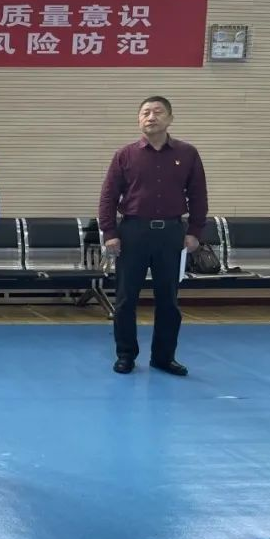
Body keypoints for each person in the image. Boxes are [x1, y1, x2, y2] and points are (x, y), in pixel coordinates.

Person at [98, 96, 208, 377]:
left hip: (171, 233)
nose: (151, 117)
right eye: (145, 112)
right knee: (126, 299)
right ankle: (125, 355)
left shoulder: (188, 153)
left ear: (170, 119)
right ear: (139, 120)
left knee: (168, 300)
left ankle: (164, 357)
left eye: (158, 112)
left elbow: (198, 195)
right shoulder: (125, 155)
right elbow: (109, 197)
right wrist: (110, 232)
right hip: (133, 232)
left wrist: (195, 231)